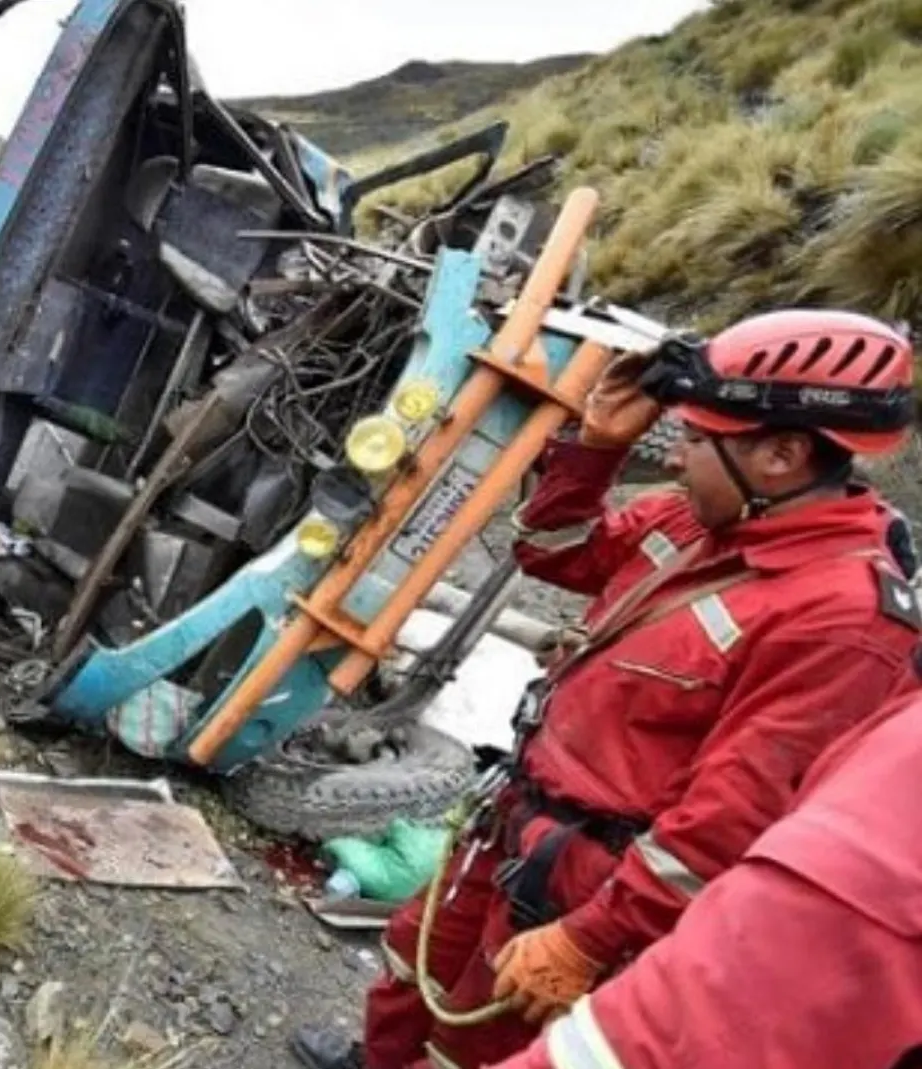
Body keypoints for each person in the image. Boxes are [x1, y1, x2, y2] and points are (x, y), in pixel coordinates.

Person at [293, 309, 922, 1069]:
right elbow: (553, 552)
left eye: (694, 439)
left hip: (583, 879)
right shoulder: (703, 524)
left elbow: (721, 828)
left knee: (472, 1040)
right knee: (407, 971)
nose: (679, 458)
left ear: (782, 454)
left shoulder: (843, 620)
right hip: (516, 820)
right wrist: (597, 449)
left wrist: (588, 937)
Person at [490, 685, 922, 1069]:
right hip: (534, 841)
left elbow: (731, 820)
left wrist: (591, 936)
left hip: (589, 884)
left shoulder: (847, 634)